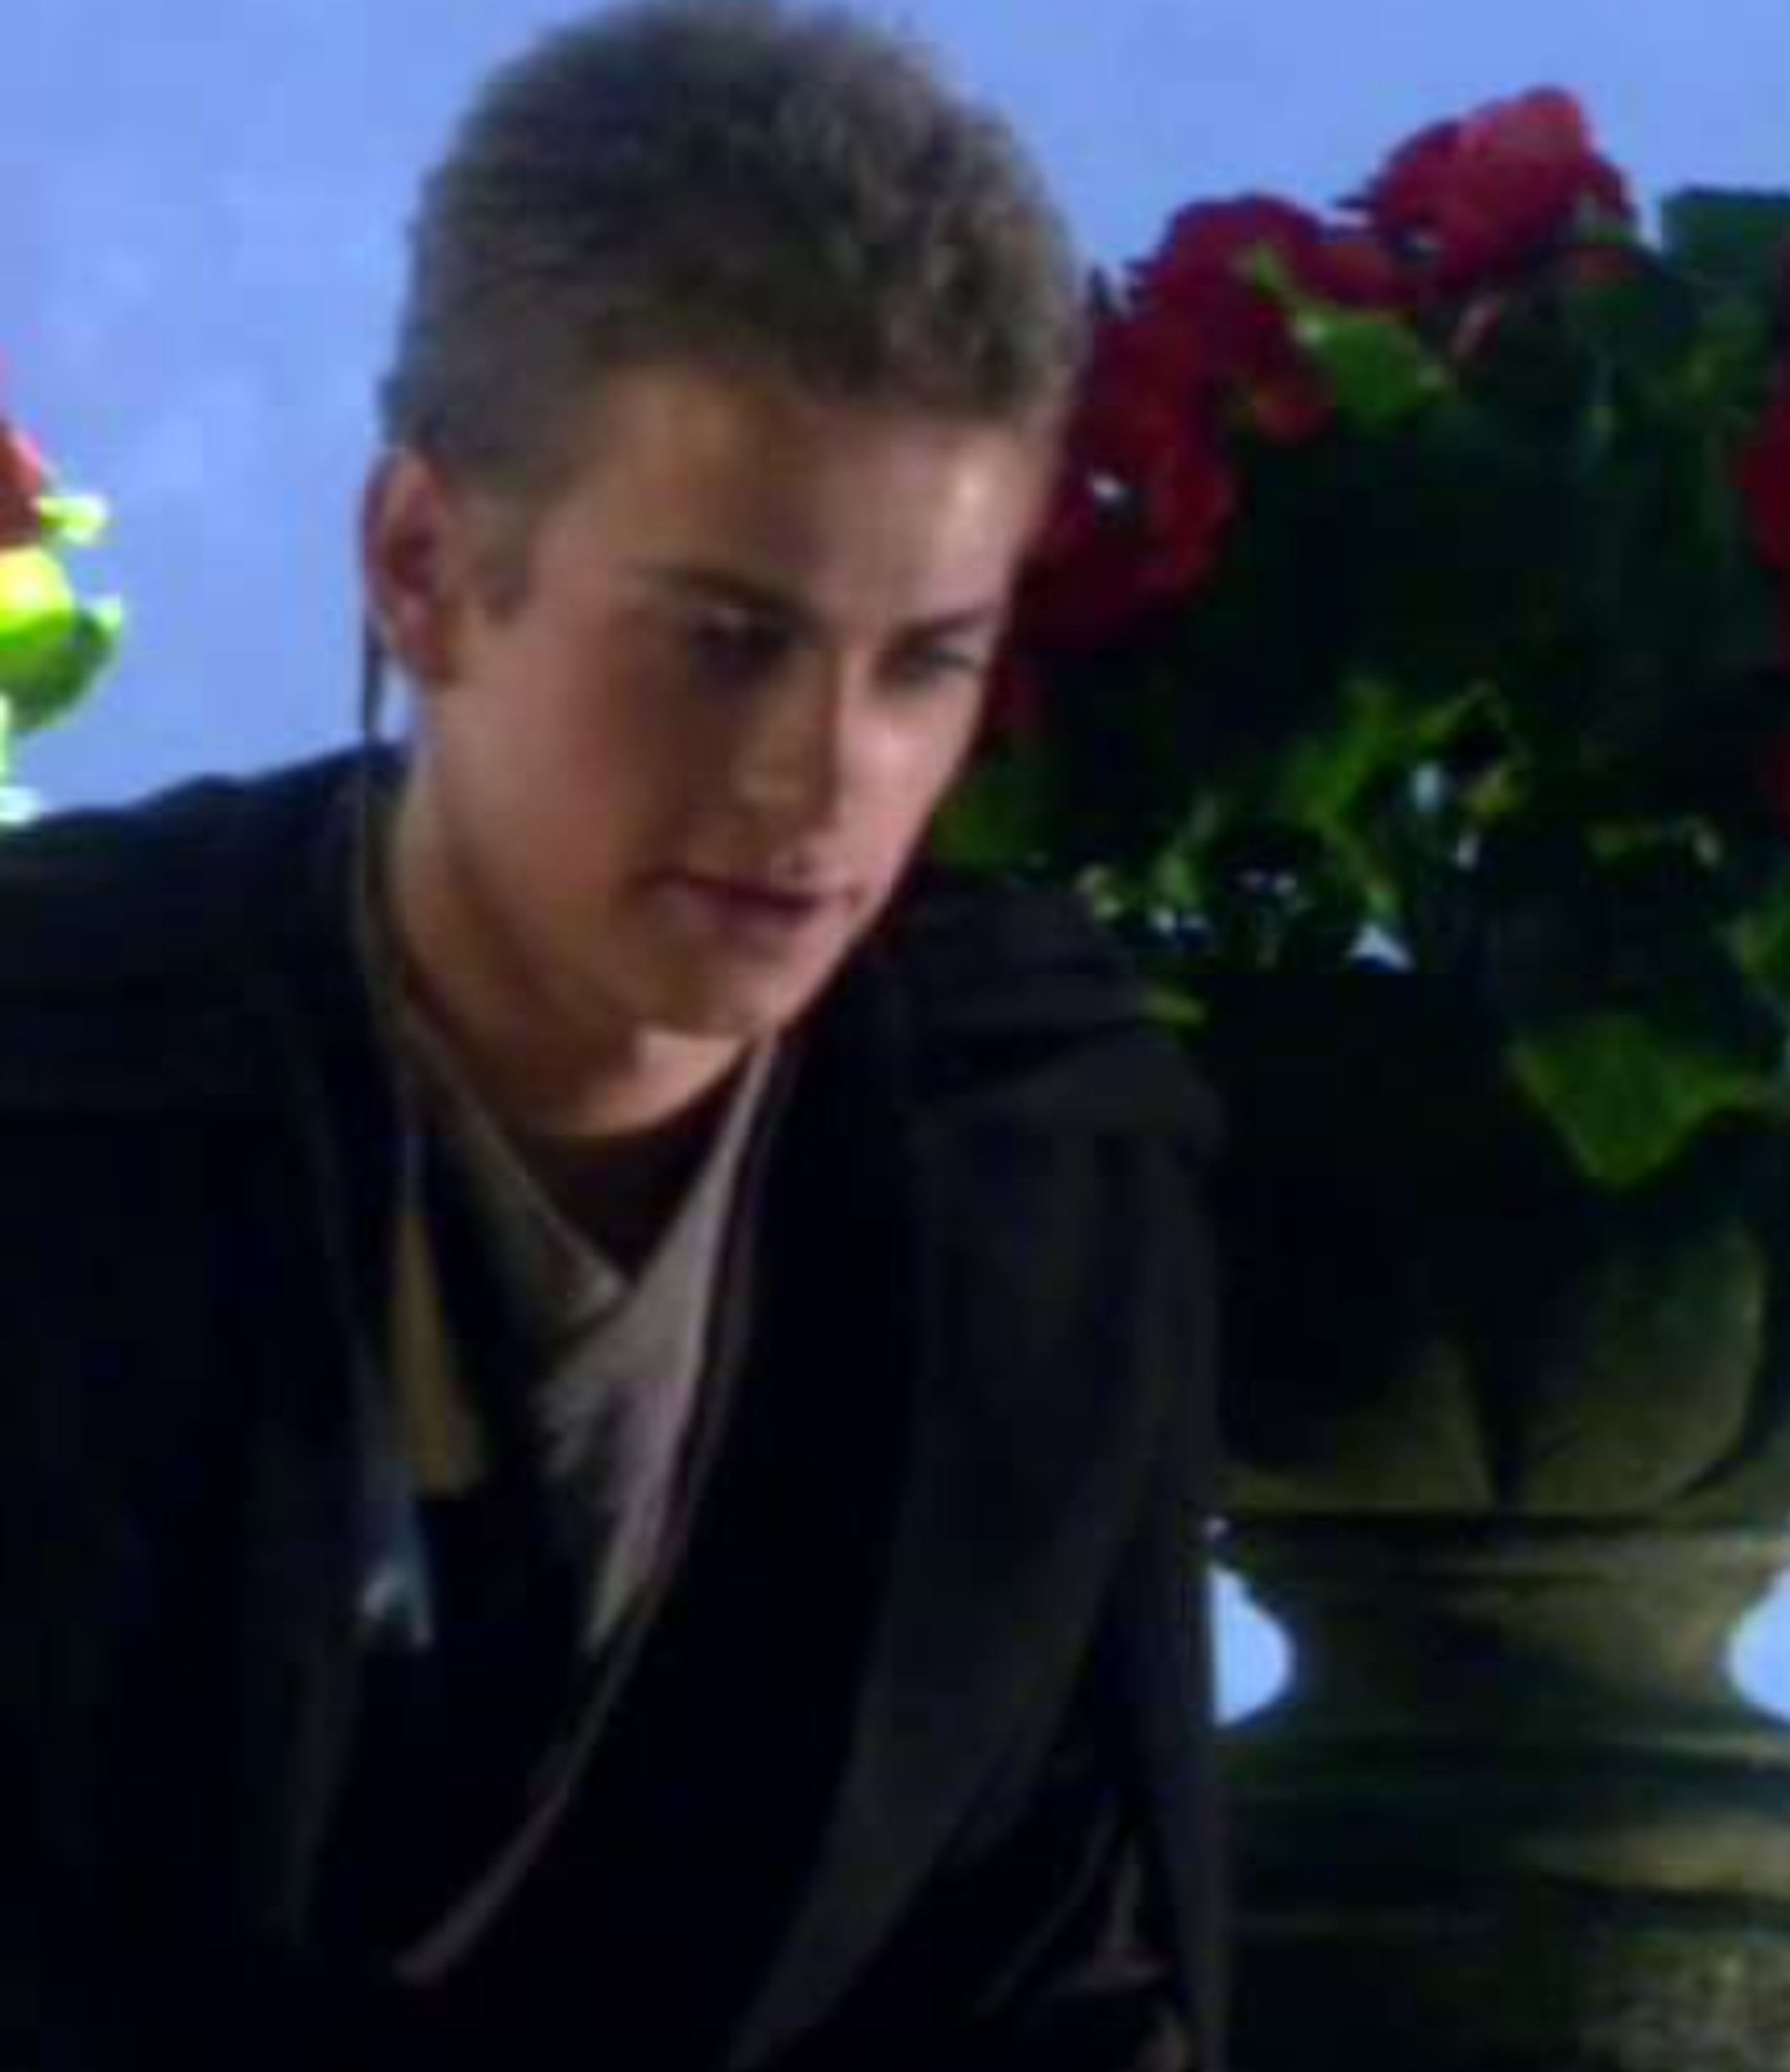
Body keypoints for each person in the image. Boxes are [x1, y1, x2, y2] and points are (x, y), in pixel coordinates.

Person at [0, 3, 1227, 2066]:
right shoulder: (55, 1087)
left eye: (926, 664)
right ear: (424, 568)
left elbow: (1068, 1970)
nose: (823, 780)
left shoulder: (1034, 1155)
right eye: (727, 643)